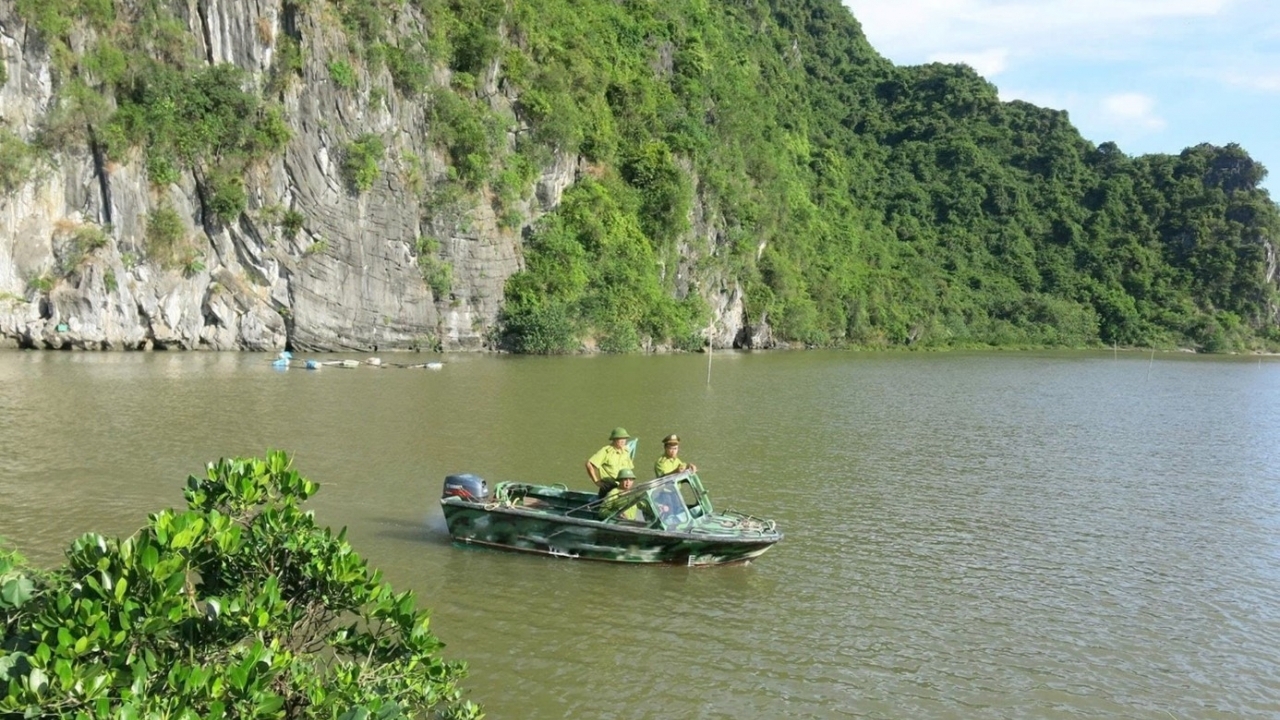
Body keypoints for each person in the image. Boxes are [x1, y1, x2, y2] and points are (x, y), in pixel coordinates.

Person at [587, 426, 635, 498]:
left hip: (622, 487)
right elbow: (589, 464)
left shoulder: (626, 452)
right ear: (614, 439)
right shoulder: (606, 451)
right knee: (605, 504)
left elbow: (629, 470)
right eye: (620, 439)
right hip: (608, 486)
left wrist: (629, 484)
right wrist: (597, 481)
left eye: (624, 439)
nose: (623, 441)